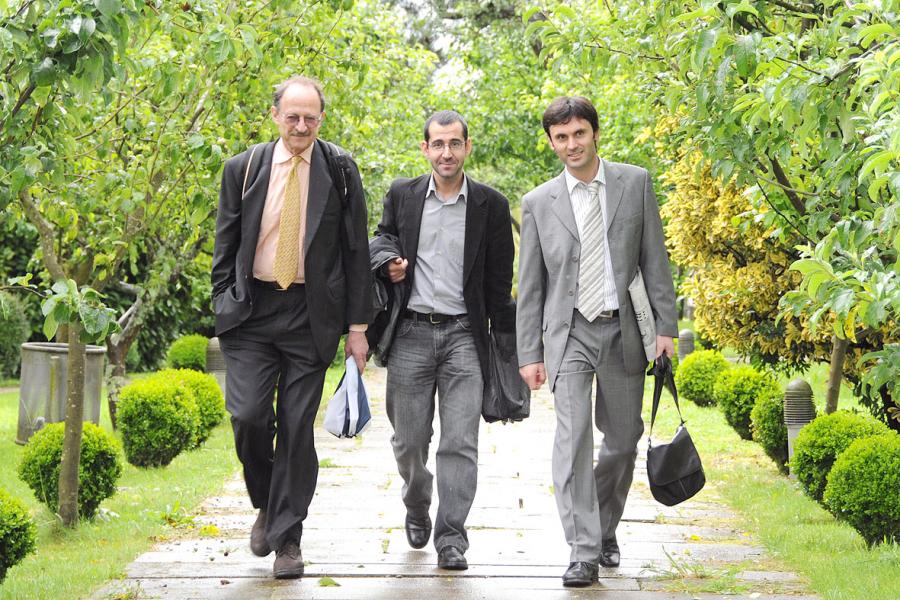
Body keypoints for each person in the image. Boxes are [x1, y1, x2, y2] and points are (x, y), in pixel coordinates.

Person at [211, 76, 370, 579]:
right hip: (252, 312)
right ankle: (267, 503)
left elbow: (356, 251)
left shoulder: (340, 170)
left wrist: (358, 327)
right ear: (275, 115)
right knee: (249, 417)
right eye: (293, 116)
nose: (301, 126)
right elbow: (224, 244)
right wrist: (224, 302)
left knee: (298, 428)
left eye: (311, 118)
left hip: (311, 315)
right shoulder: (242, 168)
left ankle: (288, 540)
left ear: (321, 119)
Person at [516, 96, 677, 587]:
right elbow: (531, 285)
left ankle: (605, 526)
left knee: (623, 442)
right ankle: (583, 550)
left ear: (595, 133)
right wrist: (529, 353)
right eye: (561, 137)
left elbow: (654, 260)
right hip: (568, 334)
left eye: (579, 133)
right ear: (551, 142)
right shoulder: (538, 202)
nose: (572, 144)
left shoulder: (635, 183)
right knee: (573, 438)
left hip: (623, 327)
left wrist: (665, 329)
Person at [370, 110, 515, 570]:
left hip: (464, 338)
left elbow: (499, 287)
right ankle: (417, 502)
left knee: (460, 442)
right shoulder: (403, 194)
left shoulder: (491, 206)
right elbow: (381, 238)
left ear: (467, 147)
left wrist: (513, 350)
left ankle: (451, 537)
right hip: (411, 332)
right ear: (425, 149)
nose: (446, 152)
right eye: (438, 144)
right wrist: (388, 261)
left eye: (454, 143)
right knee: (409, 442)